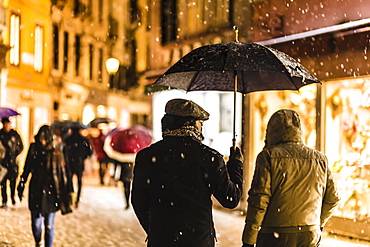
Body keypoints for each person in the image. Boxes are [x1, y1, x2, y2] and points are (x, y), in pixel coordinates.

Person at [132, 98, 244, 247]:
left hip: (161, 239)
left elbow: (138, 200)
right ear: (191, 125)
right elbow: (230, 199)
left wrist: (156, 229)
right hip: (198, 240)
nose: (201, 128)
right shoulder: (209, 158)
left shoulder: (147, 156)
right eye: (200, 123)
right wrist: (235, 165)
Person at [241, 109, 340, 247]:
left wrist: (249, 239)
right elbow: (333, 199)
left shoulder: (268, 156)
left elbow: (259, 200)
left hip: (274, 234)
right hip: (309, 233)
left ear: (271, 131)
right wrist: (317, 223)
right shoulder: (320, 159)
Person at [17, 125, 73, 247]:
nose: (41, 141)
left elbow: (66, 171)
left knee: (49, 225)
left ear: (48, 138)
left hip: (52, 189)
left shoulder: (58, 149)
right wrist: (21, 183)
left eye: (44, 139)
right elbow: (27, 168)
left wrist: (70, 190)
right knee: (36, 223)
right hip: (36, 188)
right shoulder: (34, 148)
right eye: (40, 138)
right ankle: (38, 241)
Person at [64, 127, 92, 207]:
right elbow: (89, 152)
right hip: (79, 163)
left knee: (70, 180)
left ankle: (71, 197)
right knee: (79, 181)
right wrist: (83, 157)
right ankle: (77, 199)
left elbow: (64, 151)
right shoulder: (83, 140)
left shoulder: (68, 139)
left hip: (70, 163)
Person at [0, 117, 23, 208]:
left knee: (13, 181)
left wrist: (15, 154)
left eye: (9, 124)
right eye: (6, 124)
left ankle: (13, 198)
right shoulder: (1, 134)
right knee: (3, 182)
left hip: (13, 162)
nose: (8, 125)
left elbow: (21, 146)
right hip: (3, 162)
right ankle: (4, 200)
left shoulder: (14, 134)